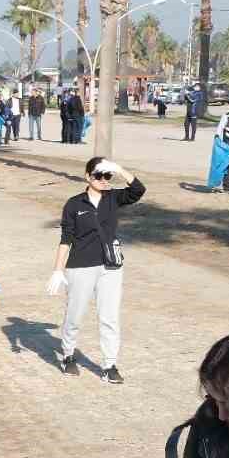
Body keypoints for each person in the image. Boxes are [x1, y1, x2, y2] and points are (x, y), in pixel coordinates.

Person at [48, 157, 145, 384]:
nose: (103, 180)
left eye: (107, 176)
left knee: (109, 317)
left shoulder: (113, 198)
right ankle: (68, 355)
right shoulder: (74, 204)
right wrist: (57, 270)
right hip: (80, 265)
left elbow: (138, 190)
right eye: (98, 176)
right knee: (74, 315)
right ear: (87, 177)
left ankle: (109, 364)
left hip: (110, 266)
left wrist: (119, 169)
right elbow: (66, 239)